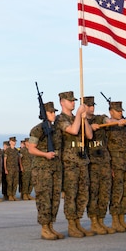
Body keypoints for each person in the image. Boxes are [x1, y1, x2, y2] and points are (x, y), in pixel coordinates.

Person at [56, 90, 93, 238]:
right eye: (70, 100)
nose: (73, 102)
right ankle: (72, 225)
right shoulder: (60, 119)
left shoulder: (78, 117)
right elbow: (73, 130)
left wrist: (84, 119)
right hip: (69, 162)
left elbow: (89, 135)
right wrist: (78, 115)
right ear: (62, 102)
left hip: (82, 159)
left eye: (74, 100)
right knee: (71, 194)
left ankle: (78, 222)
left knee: (83, 193)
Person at [27, 101, 64, 240]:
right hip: (42, 169)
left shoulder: (55, 129)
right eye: (50, 112)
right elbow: (31, 148)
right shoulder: (37, 129)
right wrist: (45, 154)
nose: (54, 114)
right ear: (44, 114)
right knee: (44, 198)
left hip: (55, 167)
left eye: (54, 112)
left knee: (54, 198)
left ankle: (50, 226)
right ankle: (44, 228)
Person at [105, 100, 126, 232]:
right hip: (116, 164)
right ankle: (115, 221)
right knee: (116, 193)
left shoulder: (124, 126)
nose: (121, 113)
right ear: (111, 112)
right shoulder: (108, 127)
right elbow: (106, 148)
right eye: (118, 111)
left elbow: (125, 146)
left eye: (121, 111)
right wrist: (110, 166)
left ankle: (122, 219)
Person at [84, 96, 114, 235]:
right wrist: (89, 126)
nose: (92, 108)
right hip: (91, 162)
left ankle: (101, 220)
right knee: (93, 193)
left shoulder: (100, 118)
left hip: (104, 161)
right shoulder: (81, 121)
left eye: (93, 105)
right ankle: (94, 221)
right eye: (89, 105)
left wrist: (114, 121)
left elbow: (108, 121)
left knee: (105, 192)